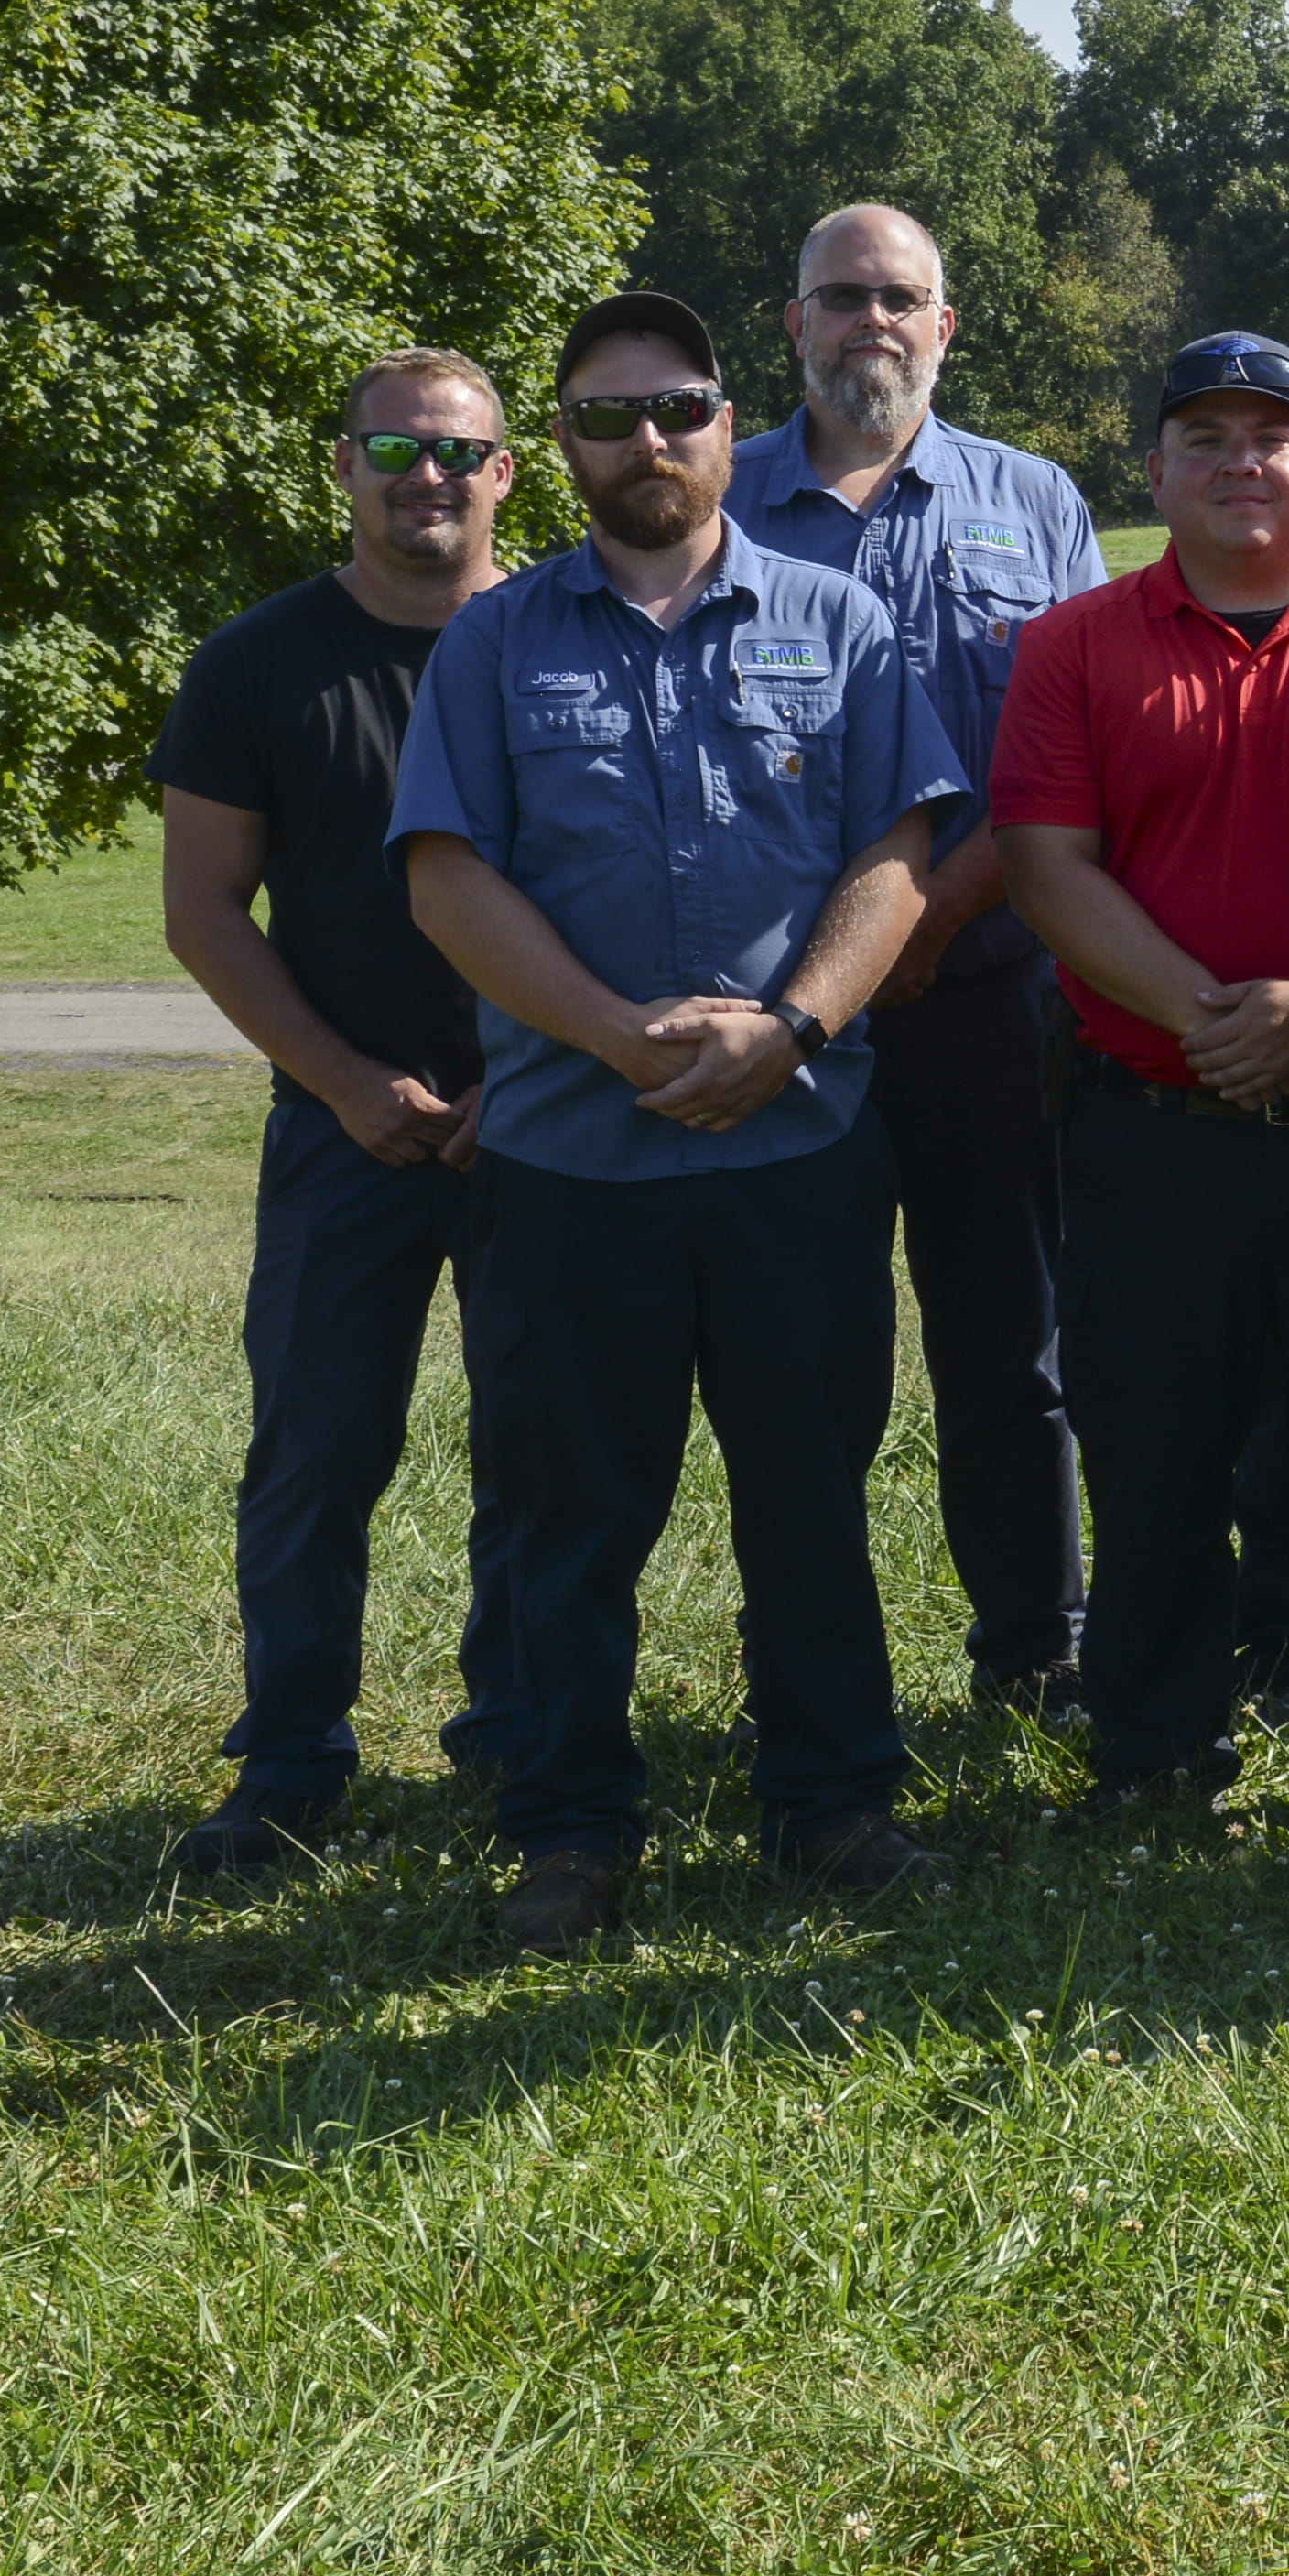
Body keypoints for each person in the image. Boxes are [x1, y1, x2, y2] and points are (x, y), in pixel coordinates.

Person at [392, 291, 970, 1956]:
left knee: (810, 1492)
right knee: (571, 1512)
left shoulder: (839, 617)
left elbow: (899, 854)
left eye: (681, 406)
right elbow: (446, 876)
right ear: (556, 447)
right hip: (574, 1161)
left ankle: (834, 1805)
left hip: (795, 1153)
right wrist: (624, 1037)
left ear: (733, 421)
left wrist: (788, 1026)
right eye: (604, 414)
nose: (647, 440)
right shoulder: (496, 643)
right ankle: (570, 1835)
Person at [991, 334, 1289, 1820]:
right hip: (1150, 1125)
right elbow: (1047, 867)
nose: (1242, 459)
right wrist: (1215, 1022)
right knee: (1152, 1445)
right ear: (1155, 470)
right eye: (1205, 435)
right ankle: (1156, 1745)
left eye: (1271, 433)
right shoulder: (1076, 645)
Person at [726, 200, 1106, 1714]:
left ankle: (1037, 1644)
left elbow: (1068, 758)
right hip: (788, 1012)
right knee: (803, 1358)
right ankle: (807, 1668)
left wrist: (928, 919)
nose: (870, 321)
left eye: (902, 297)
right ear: (795, 321)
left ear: (946, 325)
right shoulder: (722, 496)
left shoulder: (1035, 500)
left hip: (990, 992)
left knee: (1010, 1340)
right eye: (842, 296)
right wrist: (840, 964)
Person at [152, 348, 528, 1873]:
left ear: (508, 470)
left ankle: (519, 1742)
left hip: (544, 1122)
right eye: (392, 446)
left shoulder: (561, 641)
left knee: (541, 1454)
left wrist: (539, 1074)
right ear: (342, 466)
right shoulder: (257, 662)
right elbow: (203, 909)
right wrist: (345, 1081)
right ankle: (291, 1765)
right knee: (314, 1454)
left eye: (457, 449)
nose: (424, 474)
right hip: (341, 1127)